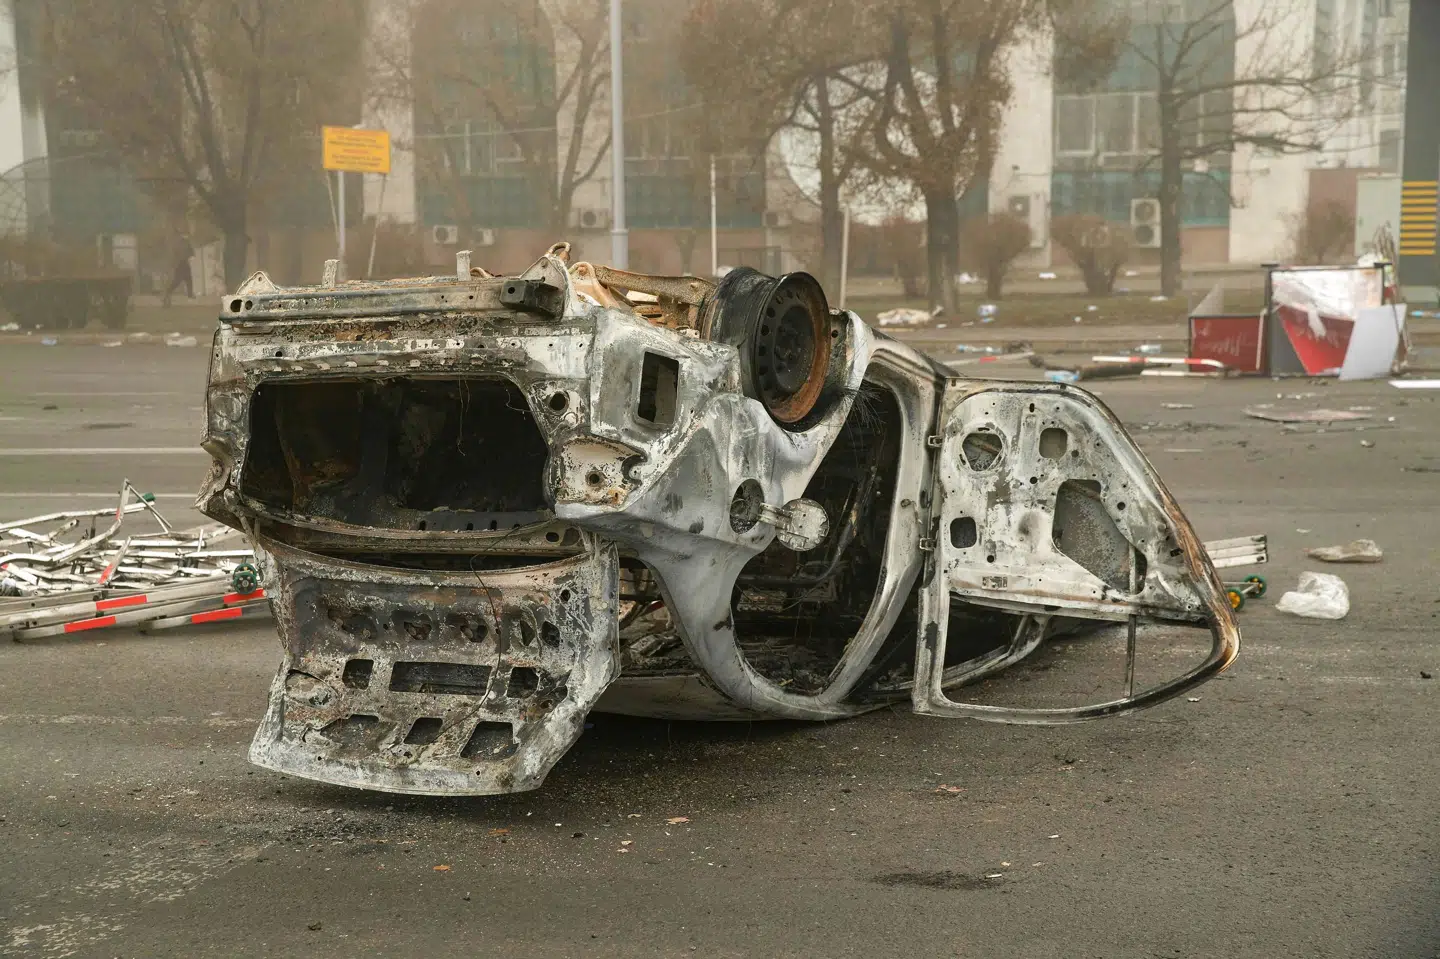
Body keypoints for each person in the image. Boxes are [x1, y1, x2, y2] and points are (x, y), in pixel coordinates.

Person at [163, 232, 194, 307]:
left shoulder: (181, 242)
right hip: (182, 263)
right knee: (184, 280)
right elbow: (189, 252)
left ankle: (169, 292)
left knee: (182, 280)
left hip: (181, 263)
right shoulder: (184, 243)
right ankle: (189, 295)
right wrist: (191, 256)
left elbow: (188, 252)